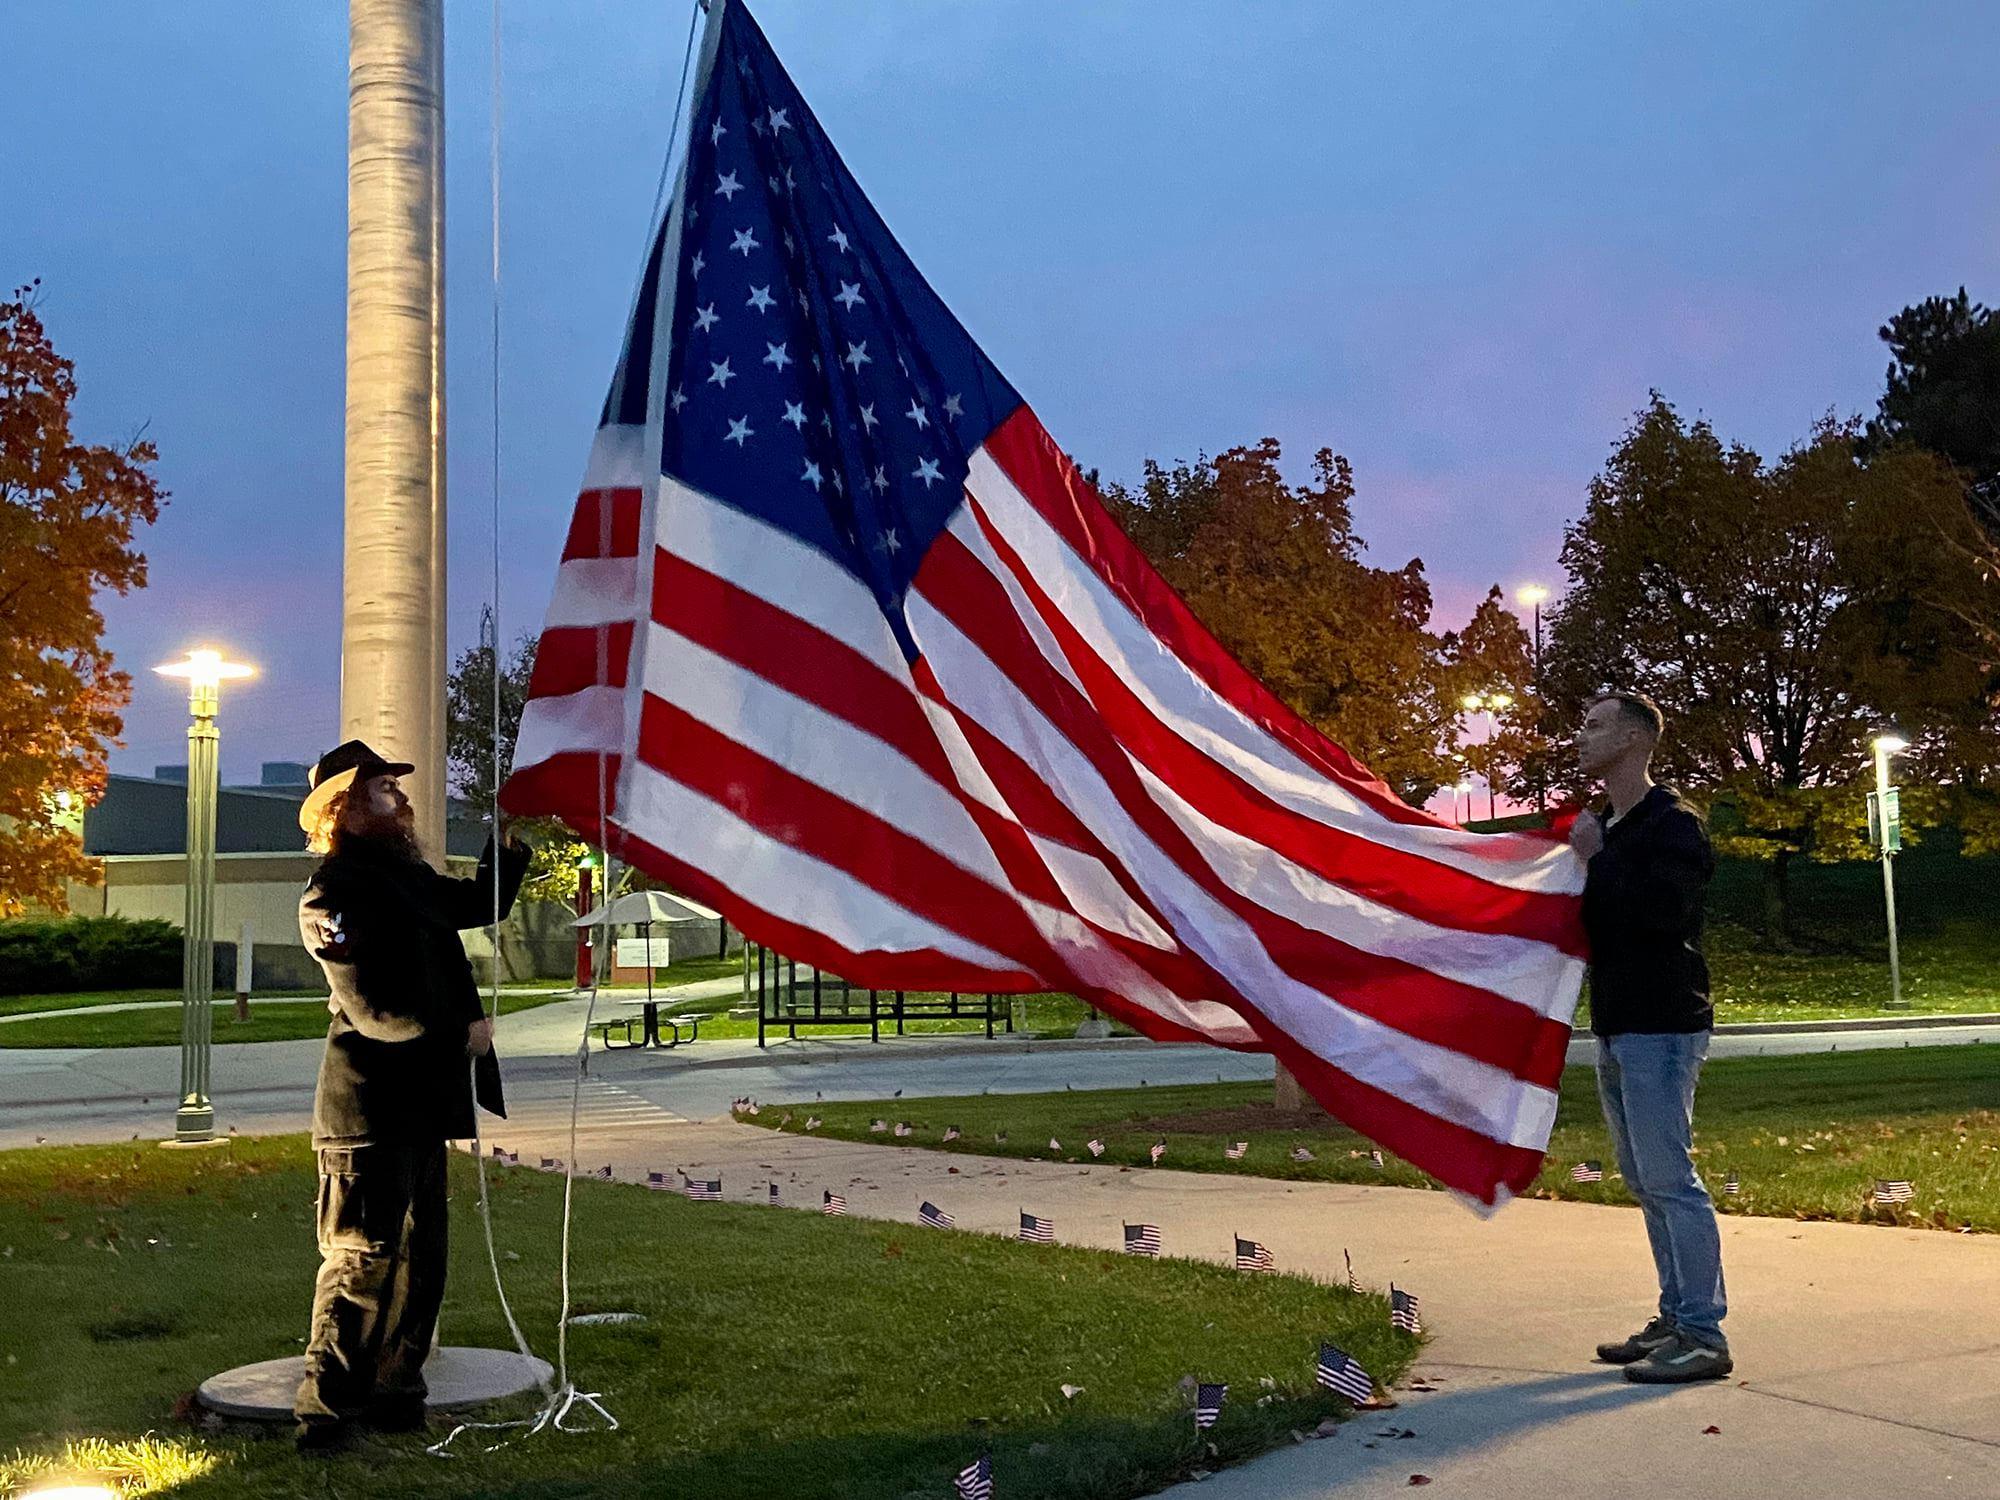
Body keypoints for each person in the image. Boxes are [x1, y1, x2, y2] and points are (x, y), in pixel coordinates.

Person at [291, 740, 530, 1452]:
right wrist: (461, 1030)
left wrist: (506, 845)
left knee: (421, 1265)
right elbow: (374, 1012)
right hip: (368, 1113)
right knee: (363, 1263)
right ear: (345, 808)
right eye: (384, 790)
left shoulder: (404, 877)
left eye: (397, 788)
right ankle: (327, 1418)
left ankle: (398, 1399)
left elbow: (473, 903)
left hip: (420, 1109)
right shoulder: (333, 894)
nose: (402, 799)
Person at [1569, 692, 1730, 1383]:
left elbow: (1665, 914)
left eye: (1597, 724)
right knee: (1645, 1179)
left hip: (1663, 1024)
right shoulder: (1607, 823)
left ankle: (1703, 1334)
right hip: (1618, 1021)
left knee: (1673, 1180)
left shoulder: (1673, 825)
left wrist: (1598, 859)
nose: (1582, 735)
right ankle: (1675, 1316)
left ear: (1635, 740)